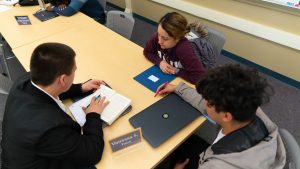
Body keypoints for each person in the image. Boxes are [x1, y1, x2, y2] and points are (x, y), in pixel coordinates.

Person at [1, 42, 109, 169]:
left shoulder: (25, 81)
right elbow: (92, 153)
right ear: (62, 80)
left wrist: (80, 88)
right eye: (74, 70)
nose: (74, 73)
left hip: (20, 155)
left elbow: (51, 87)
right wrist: (93, 115)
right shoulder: (50, 128)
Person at [156, 64, 286, 169]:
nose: (204, 102)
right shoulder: (250, 108)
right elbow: (207, 104)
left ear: (226, 116)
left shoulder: (216, 166)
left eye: (208, 102)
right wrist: (178, 88)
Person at [143, 12, 206, 84]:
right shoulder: (159, 37)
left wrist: (176, 71)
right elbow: (147, 51)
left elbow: (199, 78)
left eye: (165, 38)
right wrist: (160, 62)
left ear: (177, 38)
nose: (159, 41)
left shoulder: (184, 49)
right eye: (159, 34)